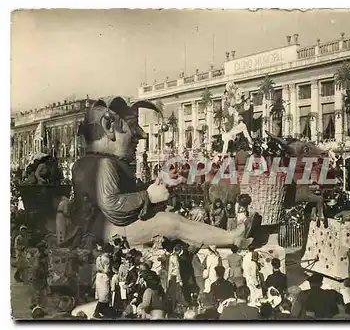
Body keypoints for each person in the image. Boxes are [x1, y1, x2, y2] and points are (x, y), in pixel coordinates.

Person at [69, 96, 253, 249]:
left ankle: (230, 236)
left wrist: (156, 185)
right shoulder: (104, 164)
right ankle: (230, 238)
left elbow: (123, 195)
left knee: (173, 220)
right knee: (170, 223)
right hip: (110, 231)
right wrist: (148, 195)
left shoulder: (92, 162)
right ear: (109, 127)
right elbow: (112, 206)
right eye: (132, 128)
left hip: (103, 228)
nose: (140, 137)